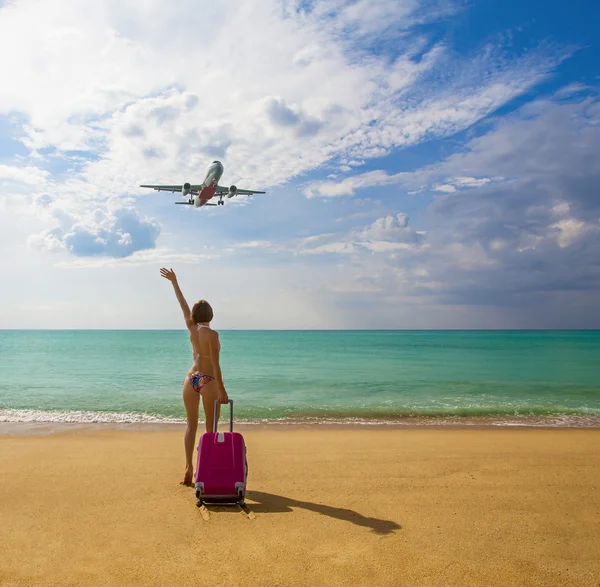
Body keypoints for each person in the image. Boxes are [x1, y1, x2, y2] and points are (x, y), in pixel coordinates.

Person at [160, 267, 229, 486]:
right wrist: (222, 390)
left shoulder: (191, 328)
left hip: (191, 379)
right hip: (208, 380)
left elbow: (182, 304)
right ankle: (206, 469)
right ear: (211, 315)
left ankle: (188, 468)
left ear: (194, 316)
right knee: (211, 430)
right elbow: (216, 365)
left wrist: (174, 282)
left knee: (191, 426)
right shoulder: (213, 334)